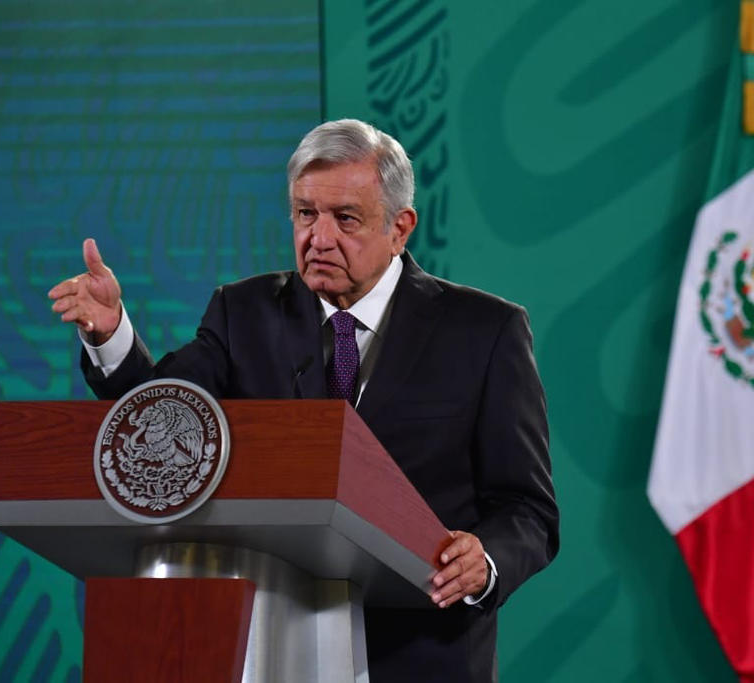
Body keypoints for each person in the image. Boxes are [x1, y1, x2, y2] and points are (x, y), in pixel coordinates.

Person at [49, 119, 559, 682]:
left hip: (421, 654)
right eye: (305, 213)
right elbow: (162, 420)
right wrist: (111, 336)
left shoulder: (485, 332)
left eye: (345, 218)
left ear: (400, 228)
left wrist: (484, 560)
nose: (319, 238)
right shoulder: (242, 314)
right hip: (268, 650)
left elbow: (528, 509)